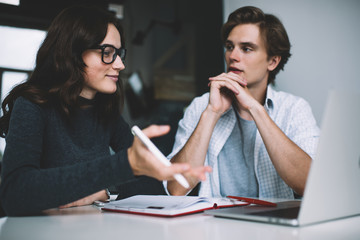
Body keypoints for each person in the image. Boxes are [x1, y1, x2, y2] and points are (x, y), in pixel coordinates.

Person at [0, 5, 209, 216]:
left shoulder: (106, 113)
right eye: (107, 53)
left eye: (119, 54)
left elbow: (151, 193)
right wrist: (122, 167)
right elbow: (15, 193)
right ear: (72, 53)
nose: (120, 64)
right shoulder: (32, 105)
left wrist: (102, 191)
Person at [166, 6, 320, 199]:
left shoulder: (295, 109)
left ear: (272, 61)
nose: (233, 56)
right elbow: (176, 188)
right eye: (230, 47)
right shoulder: (201, 106)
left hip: (275, 226)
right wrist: (212, 113)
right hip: (216, 225)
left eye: (246, 48)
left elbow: (310, 184)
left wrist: (255, 108)